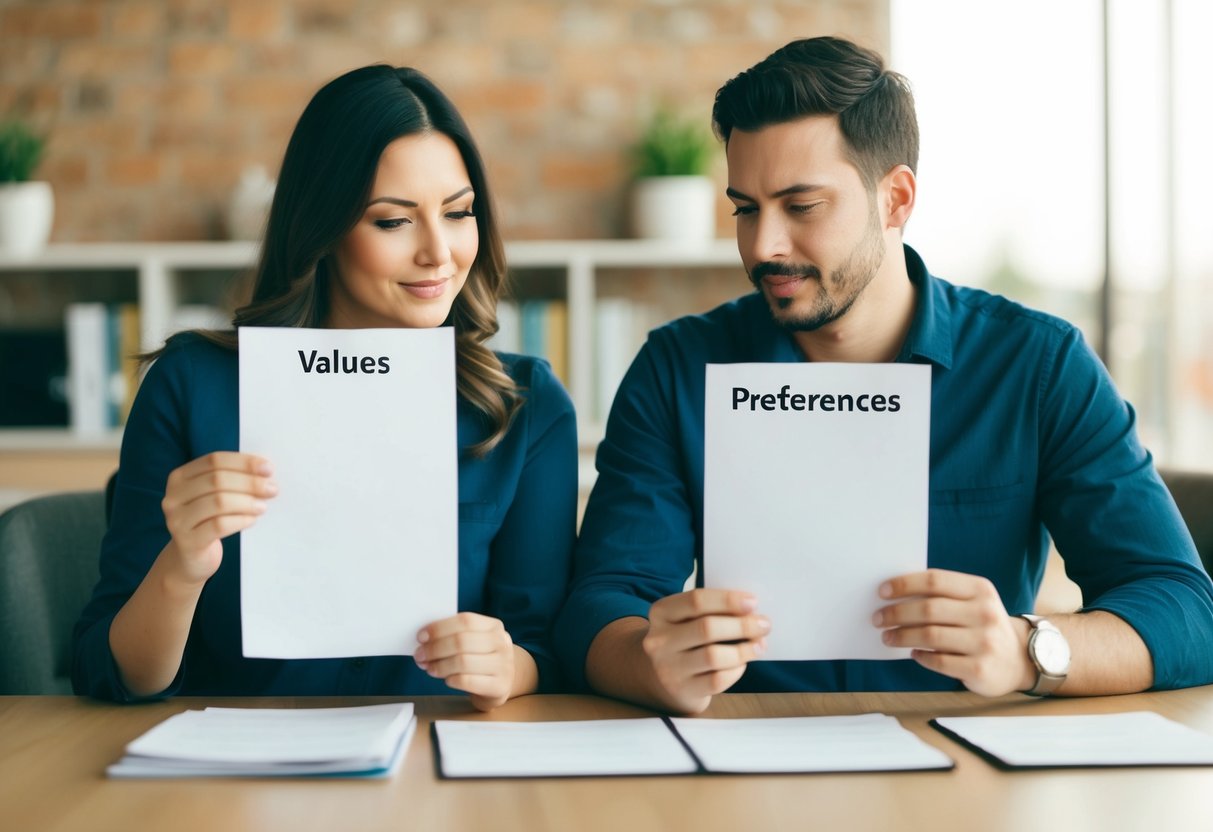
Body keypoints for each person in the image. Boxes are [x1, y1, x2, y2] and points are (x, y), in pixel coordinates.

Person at [554, 36, 1213, 714]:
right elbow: (597, 605)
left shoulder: (1036, 366)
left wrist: (1024, 649)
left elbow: (1185, 612)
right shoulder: (678, 368)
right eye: (745, 208)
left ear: (894, 200)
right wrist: (646, 662)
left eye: (800, 206)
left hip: (963, 766)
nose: (762, 246)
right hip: (749, 758)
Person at [72, 65, 577, 711]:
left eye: (458, 213)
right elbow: (105, 673)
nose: (439, 253)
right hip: (235, 778)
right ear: (324, 226)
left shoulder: (525, 406)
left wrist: (510, 668)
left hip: (436, 767)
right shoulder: (192, 384)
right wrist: (182, 567)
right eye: (392, 222)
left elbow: (552, 650)